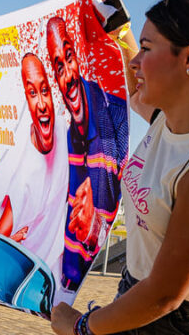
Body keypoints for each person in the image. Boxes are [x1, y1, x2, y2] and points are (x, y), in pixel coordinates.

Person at [51, 0, 189, 334]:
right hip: (135, 292)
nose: (135, 62)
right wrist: (120, 27)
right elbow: (135, 88)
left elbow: (165, 294)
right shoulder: (165, 121)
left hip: (171, 321)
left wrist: (80, 327)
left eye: (147, 49)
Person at [46, 15, 129, 293]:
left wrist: (121, 26)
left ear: (79, 60)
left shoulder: (114, 115)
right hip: (63, 282)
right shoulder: (61, 132)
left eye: (69, 58)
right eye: (58, 66)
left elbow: (134, 206)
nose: (66, 74)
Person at [2, 53, 69, 300]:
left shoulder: (62, 128)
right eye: (32, 93)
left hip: (58, 283)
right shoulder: (21, 170)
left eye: (44, 91)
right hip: (27, 286)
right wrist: (9, 243)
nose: (41, 103)